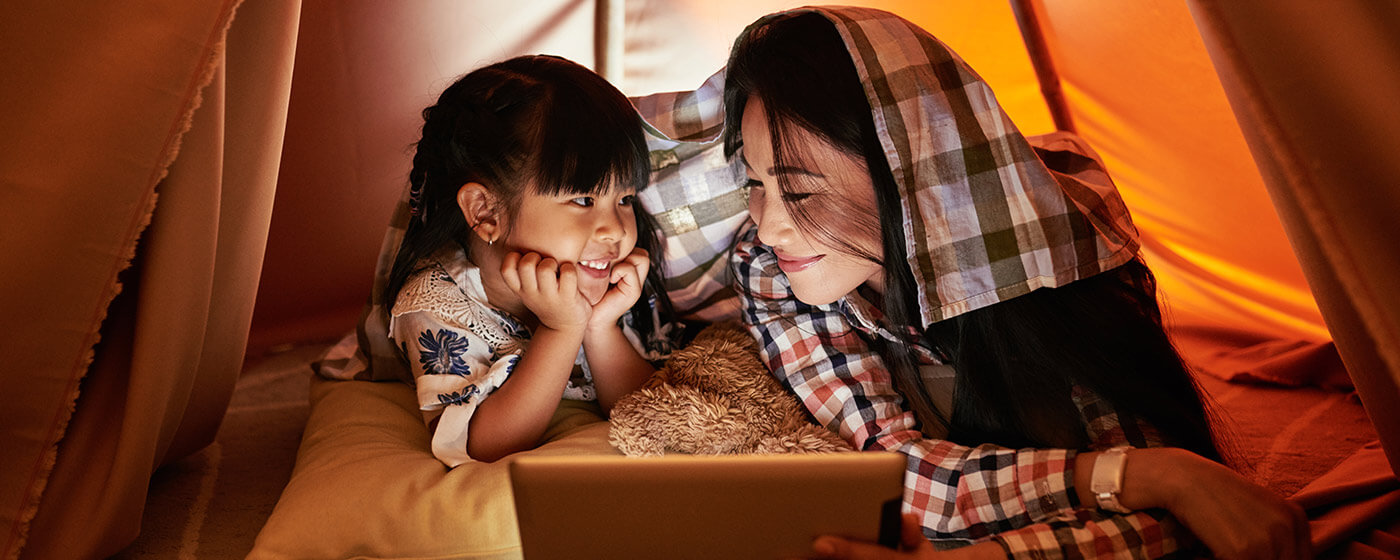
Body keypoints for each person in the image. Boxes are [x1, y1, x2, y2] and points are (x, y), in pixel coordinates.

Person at [722, 7, 1309, 560]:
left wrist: (1168, 478)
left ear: (910, 172)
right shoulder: (769, 268)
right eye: (754, 185)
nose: (769, 224)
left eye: (799, 191)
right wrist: (1147, 476)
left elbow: (1194, 514)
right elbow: (894, 471)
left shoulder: (1056, 248)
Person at [384, 55, 678, 466]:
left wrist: (599, 327)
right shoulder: (437, 304)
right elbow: (483, 445)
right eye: (582, 199)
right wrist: (562, 329)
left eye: (625, 199)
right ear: (485, 212)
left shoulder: (609, 276)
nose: (615, 230)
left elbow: (655, 415)